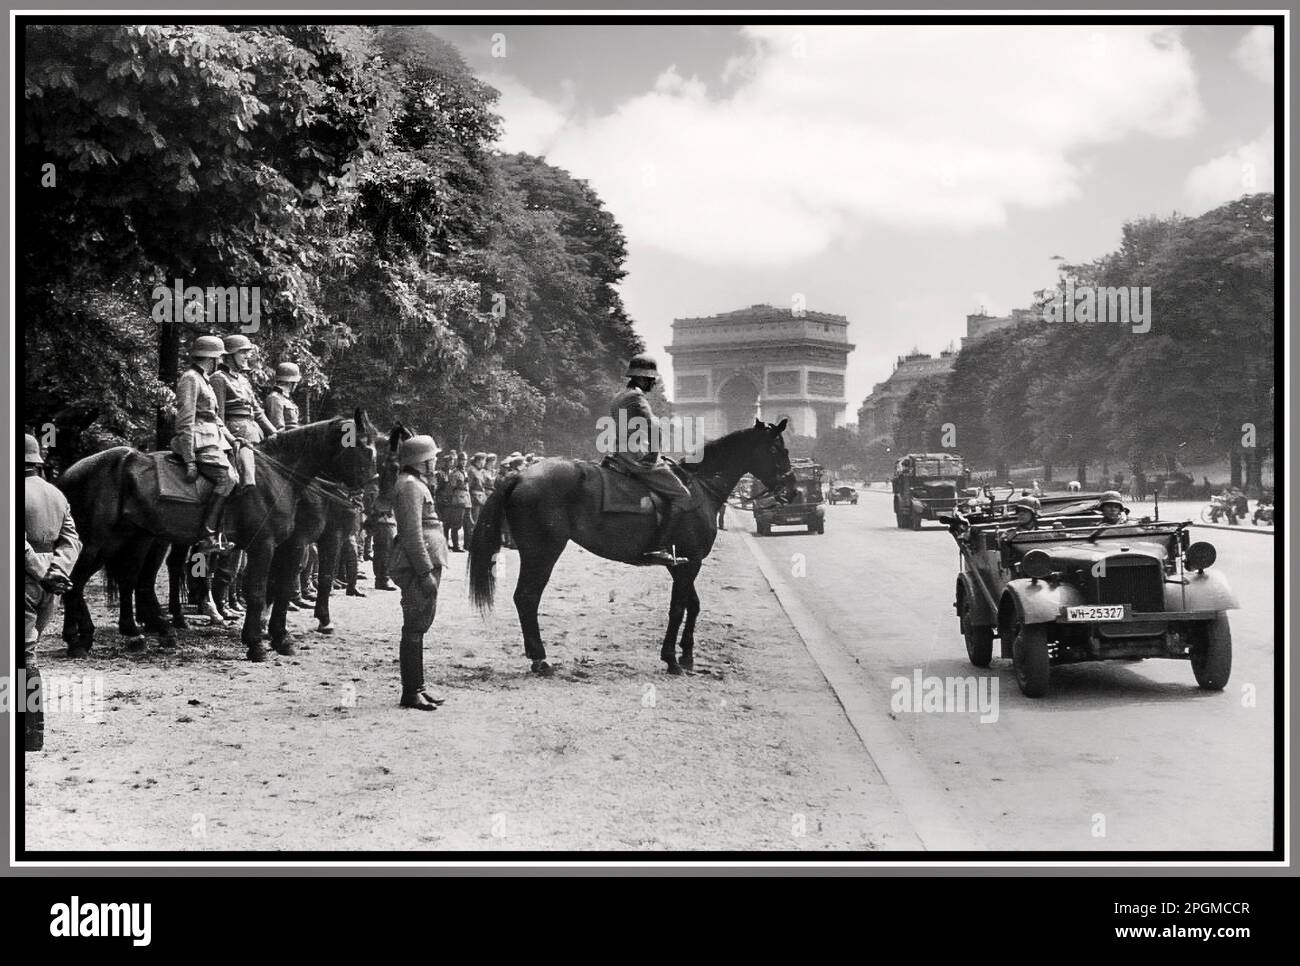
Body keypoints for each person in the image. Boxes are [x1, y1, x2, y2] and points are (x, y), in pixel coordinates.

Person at [24, 433, 82, 751]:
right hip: (51, 581)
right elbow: (72, 539)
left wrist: (41, 573)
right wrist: (57, 572)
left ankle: (29, 736)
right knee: (28, 651)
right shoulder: (57, 495)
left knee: (24, 655)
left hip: (26, 575)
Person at [609, 353, 691, 564]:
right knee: (682, 495)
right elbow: (654, 427)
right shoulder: (636, 397)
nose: (653, 383)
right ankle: (659, 547)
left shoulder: (620, 396)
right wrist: (654, 455)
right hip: (636, 456)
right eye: (651, 379)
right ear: (641, 378)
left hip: (619, 452)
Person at [388, 434, 448, 711]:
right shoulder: (410, 486)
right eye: (432, 457)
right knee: (414, 626)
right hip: (416, 565)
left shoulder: (415, 483)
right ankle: (410, 691)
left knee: (419, 625)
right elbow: (411, 533)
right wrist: (425, 572)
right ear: (421, 462)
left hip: (423, 563)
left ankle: (418, 687)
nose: (435, 461)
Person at [172, 335, 239, 552]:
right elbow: (185, 420)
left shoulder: (204, 380)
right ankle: (206, 535)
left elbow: (215, 418)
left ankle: (221, 531)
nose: (218, 363)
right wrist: (189, 458)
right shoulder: (191, 378)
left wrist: (233, 439)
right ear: (211, 359)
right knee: (228, 478)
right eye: (218, 359)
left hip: (214, 439)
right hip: (200, 442)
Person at [210, 334, 278, 491]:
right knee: (247, 480)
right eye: (242, 352)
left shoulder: (243, 380)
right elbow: (218, 416)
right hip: (235, 434)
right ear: (229, 355)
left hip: (254, 433)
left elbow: (257, 411)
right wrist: (231, 440)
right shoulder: (218, 379)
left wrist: (273, 431)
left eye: (248, 352)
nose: (247, 356)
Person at [363, 472, 397, 591]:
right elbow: (371, 508)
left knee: (383, 552)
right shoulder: (375, 490)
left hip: (386, 521)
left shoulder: (377, 489)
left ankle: (382, 579)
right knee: (383, 553)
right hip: (383, 522)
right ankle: (382, 580)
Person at [444, 451, 472, 552]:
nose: (463, 462)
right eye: (461, 460)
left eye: (465, 460)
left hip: (466, 501)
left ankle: (467, 545)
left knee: (468, 524)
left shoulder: (465, 472)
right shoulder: (455, 473)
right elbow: (451, 487)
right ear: (458, 461)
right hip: (458, 501)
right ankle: (456, 546)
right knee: (456, 524)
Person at [263, 361, 301, 433]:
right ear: (290, 383)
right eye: (296, 382)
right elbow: (277, 428)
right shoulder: (275, 398)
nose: (296, 385)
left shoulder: (286, 399)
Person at [467, 452, 488, 533]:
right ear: (479, 461)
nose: (485, 463)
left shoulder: (481, 471)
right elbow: (468, 486)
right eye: (484, 461)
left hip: (481, 499)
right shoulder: (471, 470)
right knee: (474, 521)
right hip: (474, 499)